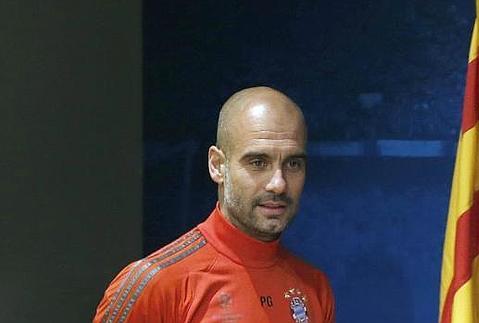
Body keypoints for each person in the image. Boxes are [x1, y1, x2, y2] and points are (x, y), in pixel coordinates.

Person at [93, 86, 335, 323]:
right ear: (217, 165)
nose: (278, 184)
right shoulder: (155, 285)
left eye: (293, 164)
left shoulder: (314, 287)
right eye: (258, 162)